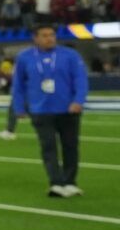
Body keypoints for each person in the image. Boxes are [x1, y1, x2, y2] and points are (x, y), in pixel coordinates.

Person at [10, 24, 89, 198]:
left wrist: (78, 101)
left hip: (68, 109)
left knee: (70, 147)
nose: (49, 38)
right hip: (40, 110)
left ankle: (70, 182)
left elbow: (80, 79)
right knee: (48, 147)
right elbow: (18, 86)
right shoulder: (24, 57)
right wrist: (19, 107)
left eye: (52, 35)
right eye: (44, 35)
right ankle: (56, 183)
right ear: (35, 38)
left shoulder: (70, 55)